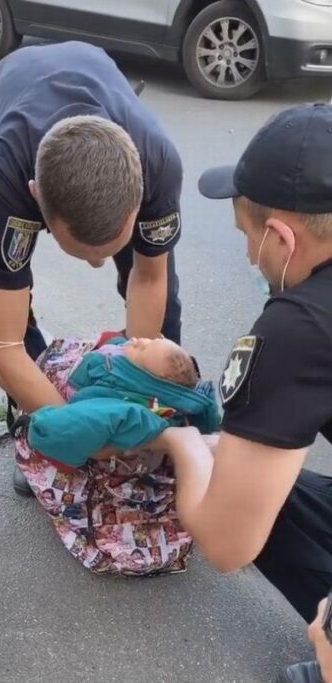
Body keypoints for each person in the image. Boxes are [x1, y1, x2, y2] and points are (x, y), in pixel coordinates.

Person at [0, 42, 184, 496]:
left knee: (166, 305)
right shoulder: (6, 180)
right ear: (35, 198)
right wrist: (81, 432)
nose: (99, 263)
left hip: (101, 98)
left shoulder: (157, 165)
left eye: (108, 249)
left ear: (139, 198)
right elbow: (1, 346)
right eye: (85, 254)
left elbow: (150, 277)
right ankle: (35, 425)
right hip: (12, 105)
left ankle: (163, 410)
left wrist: (132, 398)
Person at [155, 102, 332, 683]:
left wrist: (181, 442)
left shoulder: (298, 327)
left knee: (236, 496)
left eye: (248, 237)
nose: (248, 255)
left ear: (282, 236)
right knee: (269, 488)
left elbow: (226, 544)